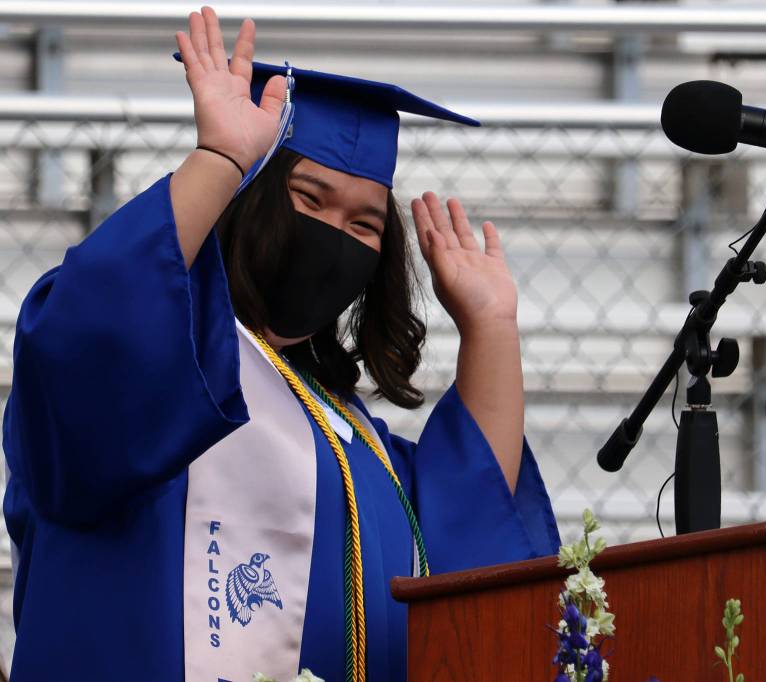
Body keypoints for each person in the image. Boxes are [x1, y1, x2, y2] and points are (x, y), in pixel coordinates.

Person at [2, 7, 560, 681]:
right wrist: (220, 159)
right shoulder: (164, 376)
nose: (332, 236)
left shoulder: (349, 435)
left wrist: (492, 327)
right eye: (309, 199)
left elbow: (467, 519)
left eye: (364, 224)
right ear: (251, 200)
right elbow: (90, 341)